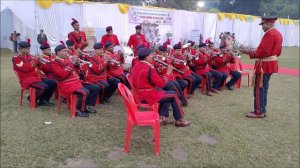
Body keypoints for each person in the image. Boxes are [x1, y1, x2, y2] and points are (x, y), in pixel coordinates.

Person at [131, 47, 191, 127]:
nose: (152, 56)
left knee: (167, 90)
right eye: (151, 55)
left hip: (140, 93)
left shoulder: (137, 65)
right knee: (173, 95)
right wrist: (168, 72)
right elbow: (161, 84)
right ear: (146, 57)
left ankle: (162, 117)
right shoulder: (149, 67)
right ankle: (179, 120)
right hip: (146, 96)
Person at [240, 16, 283, 118]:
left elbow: (264, 52)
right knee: (264, 87)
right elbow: (278, 52)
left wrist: (248, 52)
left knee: (259, 88)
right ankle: (262, 109)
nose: (262, 27)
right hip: (270, 64)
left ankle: (258, 111)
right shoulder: (278, 34)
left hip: (264, 65)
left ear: (268, 24)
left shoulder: (270, 34)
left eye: (263, 25)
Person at [12, 39, 57, 106]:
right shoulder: (16, 58)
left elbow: (38, 67)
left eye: (29, 49)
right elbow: (25, 68)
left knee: (53, 83)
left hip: (37, 77)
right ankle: (31, 98)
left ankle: (44, 100)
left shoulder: (30, 56)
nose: (29, 50)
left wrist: (40, 62)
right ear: (20, 49)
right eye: (27, 49)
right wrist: (36, 60)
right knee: (44, 87)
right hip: (27, 79)